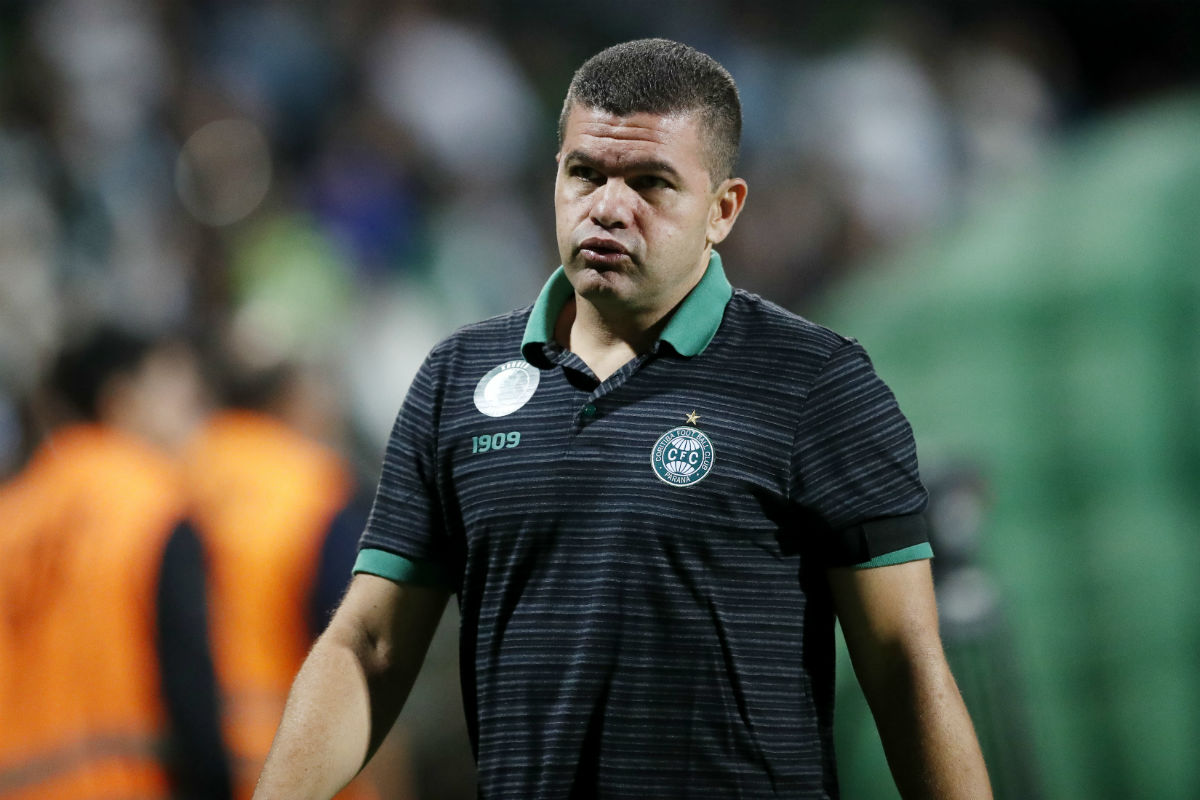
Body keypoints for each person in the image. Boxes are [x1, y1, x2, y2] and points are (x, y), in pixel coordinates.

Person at [254, 38, 992, 799]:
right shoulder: (457, 378)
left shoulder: (816, 383)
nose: (608, 206)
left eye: (650, 182)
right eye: (585, 174)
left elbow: (904, 660)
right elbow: (372, 645)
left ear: (722, 210)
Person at [0, 325, 232, 800]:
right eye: (182, 398)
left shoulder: (13, 515)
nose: (199, 419)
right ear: (121, 401)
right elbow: (189, 690)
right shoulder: (154, 507)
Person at [184, 356, 409, 800]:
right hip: (307, 766)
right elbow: (368, 658)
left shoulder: (170, 478)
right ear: (289, 400)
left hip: (199, 764)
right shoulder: (317, 486)